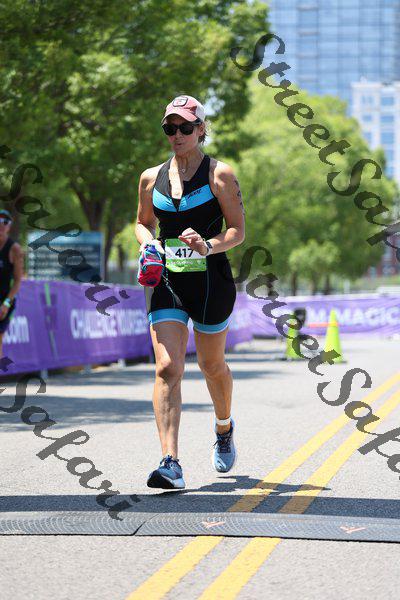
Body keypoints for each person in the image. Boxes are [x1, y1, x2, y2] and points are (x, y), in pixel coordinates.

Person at [135, 95, 245, 489]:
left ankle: (223, 426)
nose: (176, 134)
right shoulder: (151, 178)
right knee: (168, 367)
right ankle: (170, 462)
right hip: (166, 279)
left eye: (184, 127)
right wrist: (148, 244)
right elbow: (142, 223)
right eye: (170, 128)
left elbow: (237, 231)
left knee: (212, 366)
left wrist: (207, 245)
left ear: (200, 129)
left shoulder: (220, 175)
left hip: (211, 280)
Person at [0, 209, 24, 358]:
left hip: (4, 300)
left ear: (9, 226)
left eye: (5, 222)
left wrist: (6, 303)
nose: (1, 225)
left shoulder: (14, 249)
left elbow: (18, 281)